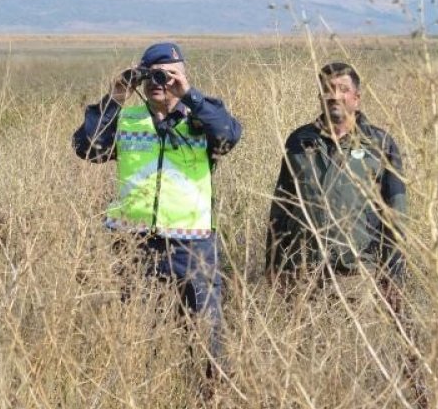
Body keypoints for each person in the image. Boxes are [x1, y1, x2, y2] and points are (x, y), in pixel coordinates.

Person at [72, 42, 242, 375]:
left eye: (167, 75)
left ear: (183, 75)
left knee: (206, 334)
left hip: (191, 244)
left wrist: (188, 93)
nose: (158, 82)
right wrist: (117, 96)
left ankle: (211, 395)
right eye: (150, 76)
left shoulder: (201, 116)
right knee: (136, 332)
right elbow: (88, 148)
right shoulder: (128, 119)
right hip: (134, 244)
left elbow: (228, 135)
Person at [266, 62, 408, 296]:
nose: (335, 96)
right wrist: (273, 264)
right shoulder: (300, 141)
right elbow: (281, 207)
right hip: (303, 275)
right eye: (328, 89)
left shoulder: (379, 144)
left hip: (357, 275)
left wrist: (393, 272)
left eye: (343, 89)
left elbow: (396, 213)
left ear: (357, 97)